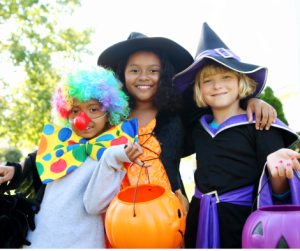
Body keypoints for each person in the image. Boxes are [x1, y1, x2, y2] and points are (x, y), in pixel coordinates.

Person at [98, 32, 277, 215]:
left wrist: (252, 100)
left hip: (169, 215)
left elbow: (218, 101)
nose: (144, 77)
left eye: (153, 70)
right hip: (118, 214)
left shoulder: (179, 112)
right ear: (122, 74)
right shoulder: (109, 118)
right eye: (134, 70)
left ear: (165, 74)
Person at [172, 22, 300, 248]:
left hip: (244, 223)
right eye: (207, 80)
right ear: (198, 90)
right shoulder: (197, 129)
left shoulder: (261, 124)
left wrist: (279, 172)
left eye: (226, 77)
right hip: (199, 219)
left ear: (241, 81)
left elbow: (276, 192)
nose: (217, 86)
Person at [0, 67, 149, 249]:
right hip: (39, 241)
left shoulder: (113, 153)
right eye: (75, 111)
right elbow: (36, 165)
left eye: (93, 109)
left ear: (109, 113)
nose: (82, 119)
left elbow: (95, 205)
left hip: (82, 243)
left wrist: (111, 158)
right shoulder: (61, 145)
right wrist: (15, 170)